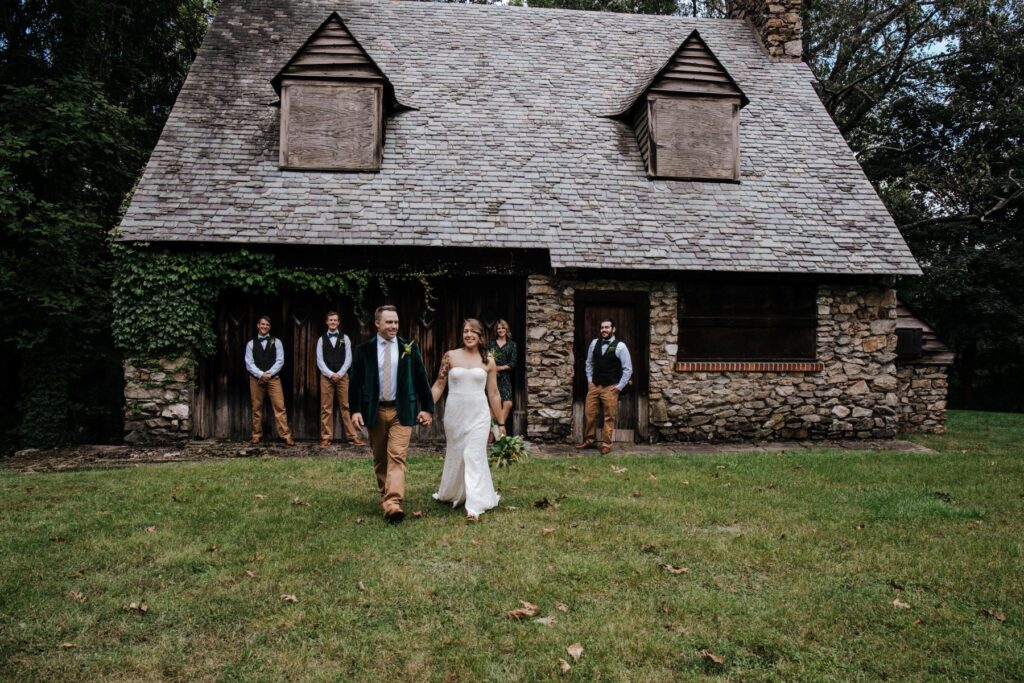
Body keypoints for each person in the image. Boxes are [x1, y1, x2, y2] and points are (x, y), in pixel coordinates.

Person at [349, 305, 434, 523]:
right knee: (380, 458)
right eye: (389, 322)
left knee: (397, 455)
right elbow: (355, 383)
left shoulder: (409, 348)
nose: (394, 326)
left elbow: (421, 378)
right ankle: (386, 496)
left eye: (396, 322)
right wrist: (355, 410)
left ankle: (393, 502)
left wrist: (427, 408)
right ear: (377, 324)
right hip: (375, 410)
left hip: (401, 409)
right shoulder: (363, 351)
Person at [431, 319, 503, 521]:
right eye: (465, 331)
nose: (468, 334)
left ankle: (475, 505)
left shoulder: (489, 360)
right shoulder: (450, 356)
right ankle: (453, 492)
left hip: (479, 415)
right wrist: (426, 408)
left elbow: (494, 394)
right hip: (455, 415)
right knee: (457, 454)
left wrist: (501, 422)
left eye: (473, 331)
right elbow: (438, 385)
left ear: (481, 336)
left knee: (474, 454)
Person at [575, 318, 632, 455]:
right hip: (594, 385)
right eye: (602, 328)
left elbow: (628, 369)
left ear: (613, 329)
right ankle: (590, 440)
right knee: (590, 414)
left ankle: (606, 444)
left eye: (607, 327)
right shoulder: (594, 343)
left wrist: (619, 387)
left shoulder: (620, 346)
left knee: (609, 417)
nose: (604, 330)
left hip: (610, 387)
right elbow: (589, 363)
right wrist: (589, 381)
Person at [316, 310, 364, 448]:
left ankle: (353, 436)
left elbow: (349, 358)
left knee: (346, 406)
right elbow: (319, 360)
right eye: (330, 320)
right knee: (326, 407)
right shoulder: (321, 340)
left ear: (338, 322)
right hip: (326, 377)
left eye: (335, 320)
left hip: (343, 377)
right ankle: (326, 437)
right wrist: (331, 374)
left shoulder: (345, 338)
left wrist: (340, 373)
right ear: (327, 322)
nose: (333, 322)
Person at [244, 315, 294, 446]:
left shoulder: (276, 342)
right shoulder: (251, 344)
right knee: (256, 407)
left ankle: (286, 435)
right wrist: (261, 374)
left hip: (273, 379)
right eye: (262, 324)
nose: (264, 326)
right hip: (256, 379)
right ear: (258, 325)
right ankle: (256, 434)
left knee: (279, 407)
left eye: (267, 325)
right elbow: (249, 363)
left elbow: (280, 361)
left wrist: (269, 373)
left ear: (269, 327)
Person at [486, 318, 517, 436]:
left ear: (506, 329)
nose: (501, 330)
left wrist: (500, 368)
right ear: (496, 330)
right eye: (498, 328)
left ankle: (495, 432)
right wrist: (493, 369)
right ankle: (492, 436)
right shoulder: (491, 344)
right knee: (492, 407)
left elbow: (513, 363)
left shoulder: (512, 344)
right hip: (492, 378)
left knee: (508, 404)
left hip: (505, 377)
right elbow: (486, 360)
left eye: (503, 328)